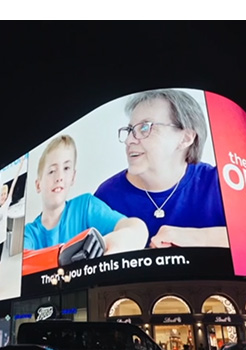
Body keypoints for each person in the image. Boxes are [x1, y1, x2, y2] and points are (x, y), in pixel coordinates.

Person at [94, 89, 228, 250]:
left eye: (145, 128)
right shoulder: (107, 197)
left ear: (185, 138)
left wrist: (199, 238)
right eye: (130, 130)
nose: (129, 140)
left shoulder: (219, 183)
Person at [23, 134, 147, 253]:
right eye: (52, 171)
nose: (59, 177)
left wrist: (107, 246)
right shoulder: (28, 234)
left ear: (73, 177)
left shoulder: (86, 207)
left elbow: (136, 228)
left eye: (66, 168)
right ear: (38, 185)